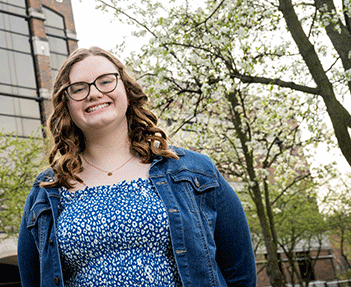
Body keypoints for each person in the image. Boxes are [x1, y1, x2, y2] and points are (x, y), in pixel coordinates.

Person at [17, 46, 256, 287]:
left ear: (127, 90)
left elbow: (241, 275)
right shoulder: (45, 193)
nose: (94, 93)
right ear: (66, 105)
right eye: (79, 88)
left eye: (106, 81)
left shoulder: (195, 172)